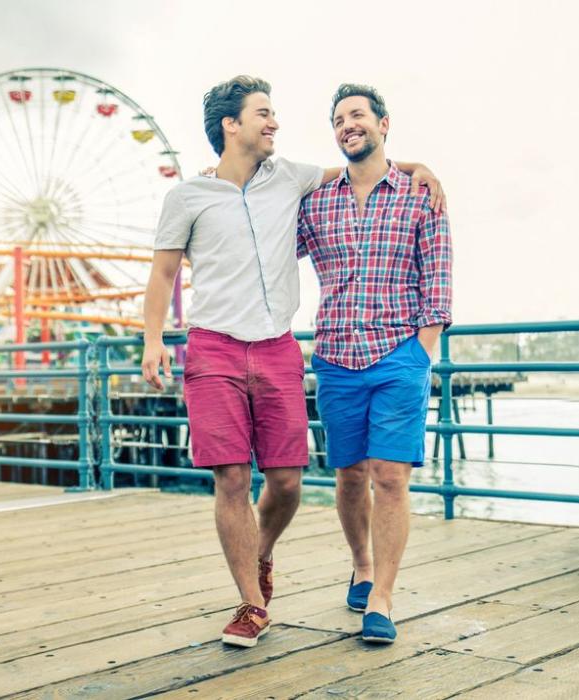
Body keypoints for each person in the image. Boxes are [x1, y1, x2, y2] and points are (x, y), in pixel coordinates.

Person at [141, 75, 443, 648]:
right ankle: (253, 605)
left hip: (280, 346)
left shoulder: (292, 177)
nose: (274, 122)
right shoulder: (187, 196)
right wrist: (153, 338)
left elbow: (364, 163)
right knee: (231, 477)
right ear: (232, 125)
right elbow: (162, 273)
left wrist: (419, 163)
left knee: (286, 481)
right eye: (263, 113)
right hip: (215, 345)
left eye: (274, 112)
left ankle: (262, 552)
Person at [297, 83, 453, 644]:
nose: (347, 125)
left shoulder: (420, 194)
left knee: (390, 478)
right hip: (336, 357)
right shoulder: (315, 201)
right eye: (338, 119)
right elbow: (264, 243)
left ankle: (381, 599)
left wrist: (421, 351)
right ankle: (361, 565)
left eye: (357, 115)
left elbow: (437, 277)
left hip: (398, 357)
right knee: (348, 476)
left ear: (383, 123)